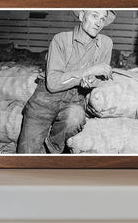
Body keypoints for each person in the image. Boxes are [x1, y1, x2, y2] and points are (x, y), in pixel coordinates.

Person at [16, 9, 115, 154]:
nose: (99, 23)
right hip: (45, 99)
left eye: (103, 18)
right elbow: (53, 83)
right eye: (94, 16)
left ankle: (52, 151)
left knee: (75, 117)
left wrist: (92, 81)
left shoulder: (106, 43)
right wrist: (88, 71)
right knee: (26, 155)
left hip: (75, 99)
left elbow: (101, 78)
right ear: (81, 16)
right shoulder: (61, 39)